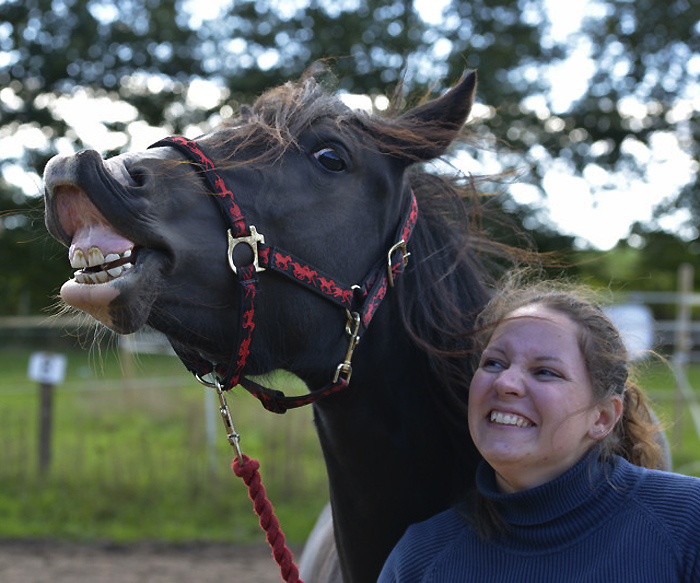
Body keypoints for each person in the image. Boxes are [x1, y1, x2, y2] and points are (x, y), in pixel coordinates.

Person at [379, 277, 700, 582]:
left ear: (602, 418)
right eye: (494, 363)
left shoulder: (687, 523)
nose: (505, 382)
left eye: (545, 371)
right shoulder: (420, 558)